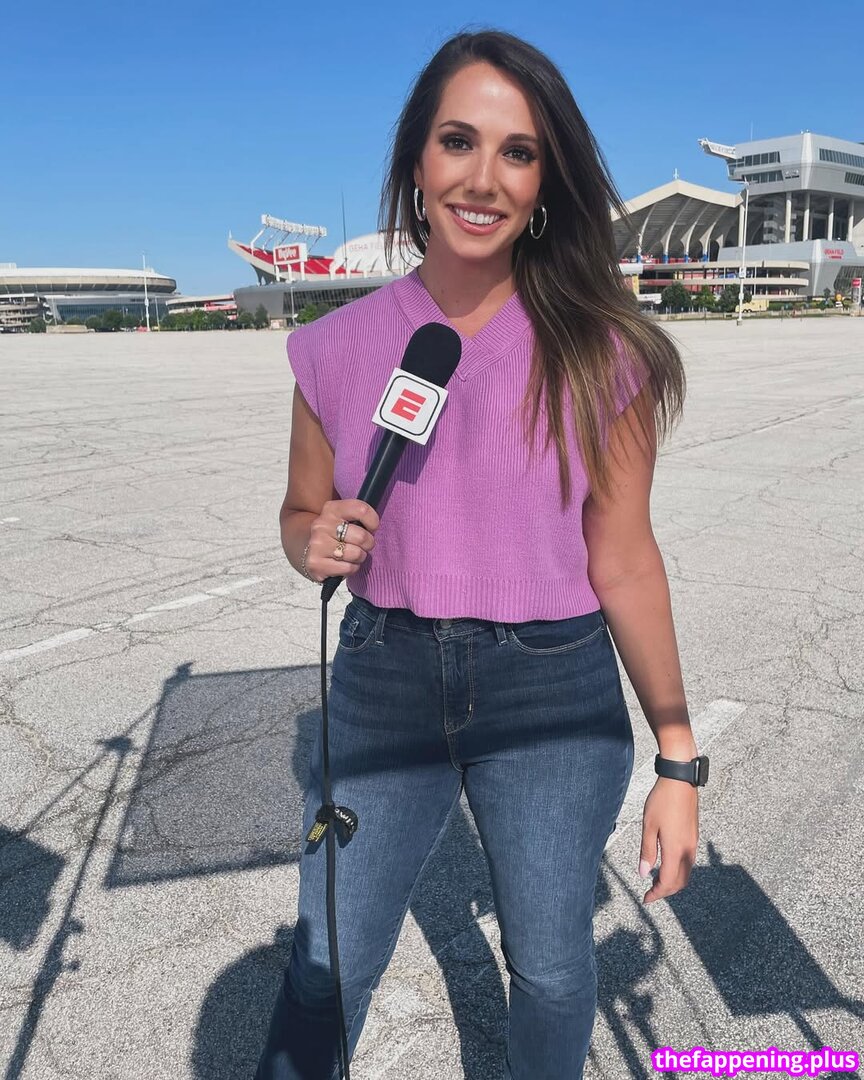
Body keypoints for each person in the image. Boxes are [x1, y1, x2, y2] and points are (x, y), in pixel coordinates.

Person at [257, 29, 699, 1080]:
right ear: (416, 160)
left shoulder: (603, 351)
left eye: (519, 152)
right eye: (458, 141)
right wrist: (310, 541)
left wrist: (678, 755)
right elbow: (300, 511)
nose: (483, 178)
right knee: (325, 965)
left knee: (551, 970)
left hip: (553, 688)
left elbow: (624, 557)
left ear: (545, 183)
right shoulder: (334, 347)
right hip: (382, 676)